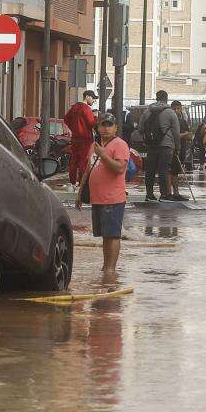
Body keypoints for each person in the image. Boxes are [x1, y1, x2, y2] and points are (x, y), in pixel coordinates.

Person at [76, 113, 130, 284]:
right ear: (98, 127)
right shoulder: (95, 145)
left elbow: (120, 168)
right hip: (97, 198)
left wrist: (104, 155)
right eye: (103, 125)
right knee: (104, 235)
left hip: (112, 198)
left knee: (113, 235)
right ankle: (106, 266)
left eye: (109, 125)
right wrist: (80, 192)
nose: (106, 128)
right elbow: (88, 170)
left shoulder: (120, 145)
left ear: (115, 128)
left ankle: (110, 269)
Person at [140, 90, 180, 202]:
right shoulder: (171, 112)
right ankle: (164, 195)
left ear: (156, 98)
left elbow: (140, 128)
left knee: (150, 170)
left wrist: (148, 137)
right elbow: (176, 132)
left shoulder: (147, 111)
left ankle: (149, 194)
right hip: (166, 145)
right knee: (164, 170)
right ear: (166, 98)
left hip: (151, 145)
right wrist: (178, 146)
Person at [63, 90, 99, 188]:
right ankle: (82, 182)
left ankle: (72, 182)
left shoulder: (74, 107)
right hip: (85, 139)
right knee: (84, 160)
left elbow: (66, 119)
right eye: (93, 98)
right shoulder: (86, 109)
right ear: (87, 97)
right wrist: (96, 117)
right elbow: (91, 123)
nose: (94, 101)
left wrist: (74, 128)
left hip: (75, 138)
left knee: (74, 159)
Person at [167, 101, 192, 201]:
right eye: (174, 109)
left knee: (176, 172)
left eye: (178, 108)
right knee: (170, 171)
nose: (177, 111)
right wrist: (184, 134)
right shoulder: (169, 121)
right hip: (172, 148)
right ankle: (169, 193)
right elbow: (173, 135)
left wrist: (185, 134)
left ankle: (176, 192)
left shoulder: (183, 121)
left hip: (181, 148)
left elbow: (190, 136)